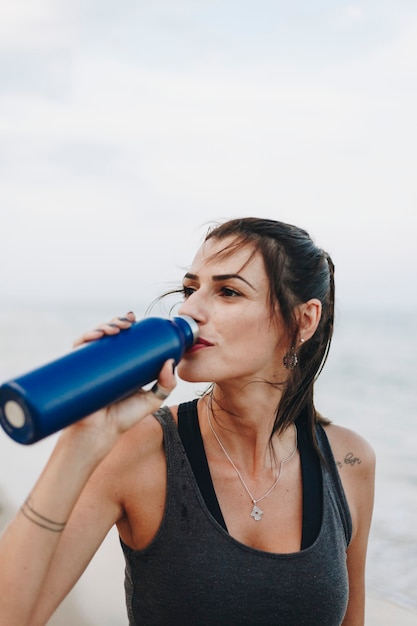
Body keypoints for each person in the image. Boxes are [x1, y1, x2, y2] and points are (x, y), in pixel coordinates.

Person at [0, 217, 375, 626]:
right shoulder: (139, 449)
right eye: (190, 289)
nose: (189, 310)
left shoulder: (349, 461)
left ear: (304, 320)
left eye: (228, 292)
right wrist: (82, 439)